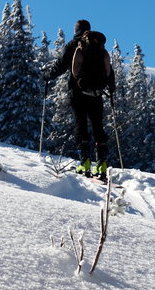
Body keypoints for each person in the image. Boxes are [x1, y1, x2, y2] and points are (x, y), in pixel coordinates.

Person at [45, 20, 116, 181]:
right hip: (97, 93)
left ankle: (84, 163)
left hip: (77, 93)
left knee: (81, 126)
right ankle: (102, 166)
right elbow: (109, 71)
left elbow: (61, 65)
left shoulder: (73, 46)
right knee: (98, 128)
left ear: (76, 30)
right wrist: (111, 88)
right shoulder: (98, 48)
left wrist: (47, 76)